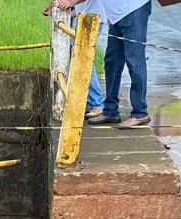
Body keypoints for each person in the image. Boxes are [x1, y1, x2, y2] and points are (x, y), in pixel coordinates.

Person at [61, 0, 152, 129]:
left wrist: (72, 2)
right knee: (111, 63)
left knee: (135, 62)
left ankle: (140, 113)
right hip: (116, 16)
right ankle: (111, 111)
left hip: (133, 10)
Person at [45, 0, 105, 119]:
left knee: (84, 60)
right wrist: (51, 7)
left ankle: (98, 103)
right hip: (82, 17)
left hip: (90, 19)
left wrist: (71, 3)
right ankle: (90, 102)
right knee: (79, 59)